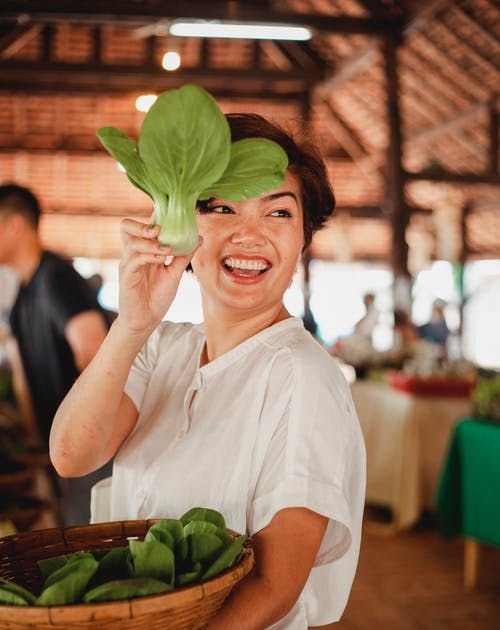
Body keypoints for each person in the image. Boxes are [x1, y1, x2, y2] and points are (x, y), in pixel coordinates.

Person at [50, 114, 366, 629]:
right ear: (184, 227)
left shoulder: (303, 378)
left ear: (305, 237)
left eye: (278, 213)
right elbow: (71, 455)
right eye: (221, 207)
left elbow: (273, 586)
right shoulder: (159, 346)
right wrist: (131, 324)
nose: (249, 235)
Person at [0, 184, 111, 525]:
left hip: (89, 446)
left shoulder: (56, 277)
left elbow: (93, 350)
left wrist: (77, 431)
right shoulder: (20, 298)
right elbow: (23, 378)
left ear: (15, 225)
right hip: (59, 453)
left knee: (89, 538)